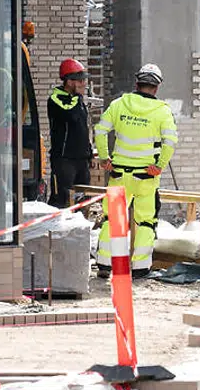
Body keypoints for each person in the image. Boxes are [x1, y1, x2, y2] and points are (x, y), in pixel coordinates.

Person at [93, 64, 178, 275]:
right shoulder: (162, 111)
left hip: (119, 173)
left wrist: (105, 158)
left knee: (112, 218)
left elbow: (100, 130)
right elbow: (170, 143)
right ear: (157, 88)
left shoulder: (119, 104)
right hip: (145, 177)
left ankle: (104, 263)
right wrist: (159, 166)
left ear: (136, 83)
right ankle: (140, 267)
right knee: (146, 222)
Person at [46, 59, 94, 209]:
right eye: (80, 81)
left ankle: (80, 229)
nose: (83, 84)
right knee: (61, 200)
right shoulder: (56, 99)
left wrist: (89, 153)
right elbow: (69, 114)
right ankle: (54, 230)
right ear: (69, 81)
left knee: (82, 201)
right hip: (64, 160)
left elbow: (82, 129)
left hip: (81, 160)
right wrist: (76, 97)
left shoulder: (78, 100)